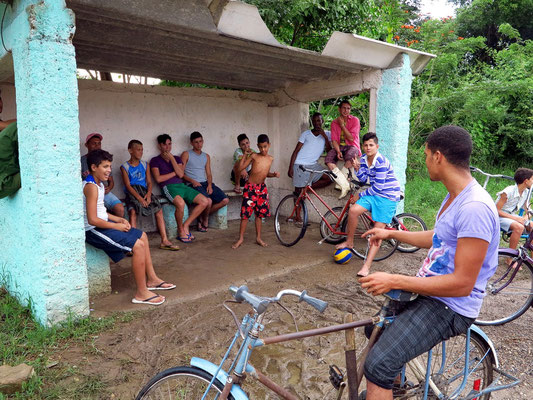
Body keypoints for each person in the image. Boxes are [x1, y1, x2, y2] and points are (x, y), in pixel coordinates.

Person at [357, 125, 499, 400]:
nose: (424, 162)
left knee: (377, 366)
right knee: (374, 329)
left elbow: (462, 284)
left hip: (450, 304)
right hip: (430, 289)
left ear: (438, 156)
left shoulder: (474, 208)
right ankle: (394, 390)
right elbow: (440, 237)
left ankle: (384, 382)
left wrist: (394, 279)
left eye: (425, 155)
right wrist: (391, 232)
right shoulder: (455, 195)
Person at [83, 149, 176, 306]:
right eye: (105, 166)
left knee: (143, 236)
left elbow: (100, 212)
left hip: (102, 225)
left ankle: (152, 279)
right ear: (93, 167)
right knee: (137, 245)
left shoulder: (98, 184)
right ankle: (141, 293)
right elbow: (92, 219)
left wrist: (117, 219)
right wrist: (117, 227)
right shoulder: (91, 186)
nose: (109, 170)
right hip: (93, 231)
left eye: (109, 166)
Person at [335, 132, 401, 277]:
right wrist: (358, 169)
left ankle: (366, 266)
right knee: (353, 211)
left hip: (387, 197)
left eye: (371, 145)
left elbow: (378, 187)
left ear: (377, 146)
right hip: (374, 194)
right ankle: (349, 242)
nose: (368, 148)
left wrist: (359, 194)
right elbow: (365, 180)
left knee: (376, 235)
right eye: (365, 145)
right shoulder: (363, 159)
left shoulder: (381, 161)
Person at [120, 139, 179, 251]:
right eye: (138, 150)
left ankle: (164, 240)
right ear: (130, 151)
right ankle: (133, 244)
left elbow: (150, 182)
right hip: (133, 193)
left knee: (158, 210)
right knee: (132, 211)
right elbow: (128, 186)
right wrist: (139, 198)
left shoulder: (145, 165)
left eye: (142, 150)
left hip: (145, 192)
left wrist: (147, 195)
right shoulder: (124, 167)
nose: (141, 152)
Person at [150, 134, 209, 243]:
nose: (167, 147)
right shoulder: (155, 160)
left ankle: (186, 225)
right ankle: (181, 231)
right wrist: (174, 173)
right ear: (159, 146)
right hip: (168, 187)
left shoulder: (176, 158)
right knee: (181, 204)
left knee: (204, 201)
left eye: (169, 144)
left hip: (182, 186)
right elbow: (158, 179)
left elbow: (181, 175)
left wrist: (172, 158)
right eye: (165, 145)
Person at [232, 134, 279, 249]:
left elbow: (265, 173)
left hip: (262, 188)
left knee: (259, 214)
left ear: (269, 145)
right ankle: (240, 239)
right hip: (250, 188)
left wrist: (273, 175)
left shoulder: (270, 158)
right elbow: (240, 168)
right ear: (257, 146)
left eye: (265, 147)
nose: (263, 149)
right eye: (261, 147)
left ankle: (258, 238)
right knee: (245, 215)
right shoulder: (254, 156)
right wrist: (244, 155)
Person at [181, 131, 229, 231]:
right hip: (192, 184)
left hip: (205, 183)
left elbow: (209, 174)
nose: (199, 144)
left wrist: (210, 185)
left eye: (200, 141)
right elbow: (181, 173)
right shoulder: (186, 154)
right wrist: (192, 181)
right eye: (196, 142)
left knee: (225, 200)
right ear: (191, 143)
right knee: (208, 201)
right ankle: (205, 219)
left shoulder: (206, 156)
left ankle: (201, 217)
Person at [288, 112, 332, 197]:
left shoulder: (327, 134)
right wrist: (290, 167)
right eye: (314, 121)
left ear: (322, 121)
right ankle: (297, 209)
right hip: (300, 165)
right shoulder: (306, 134)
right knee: (297, 194)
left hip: (313, 165)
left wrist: (324, 136)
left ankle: (306, 188)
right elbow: (296, 151)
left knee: (329, 178)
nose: (316, 123)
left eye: (318, 120)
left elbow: (330, 151)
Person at [81, 133, 125, 218]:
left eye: (99, 143)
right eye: (94, 143)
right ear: (86, 145)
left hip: (103, 191)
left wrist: (109, 188)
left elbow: (111, 181)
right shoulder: (81, 161)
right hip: (88, 192)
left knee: (120, 209)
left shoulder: (104, 160)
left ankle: (116, 227)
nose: (97, 146)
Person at [324, 100, 361, 198]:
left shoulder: (355, 120)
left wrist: (342, 125)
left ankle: (341, 183)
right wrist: (338, 151)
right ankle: (344, 184)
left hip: (352, 146)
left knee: (351, 156)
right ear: (339, 109)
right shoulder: (334, 123)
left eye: (348, 108)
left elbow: (351, 138)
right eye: (344, 108)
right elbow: (334, 140)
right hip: (340, 146)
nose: (346, 110)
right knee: (328, 159)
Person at [495, 167, 533, 250]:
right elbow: (496, 210)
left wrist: (524, 219)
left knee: (532, 225)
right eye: (532, 179)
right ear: (526, 181)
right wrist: (517, 219)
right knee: (519, 227)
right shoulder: (508, 191)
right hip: (498, 216)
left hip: (511, 216)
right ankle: (510, 257)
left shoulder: (526, 192)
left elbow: (528, 210)